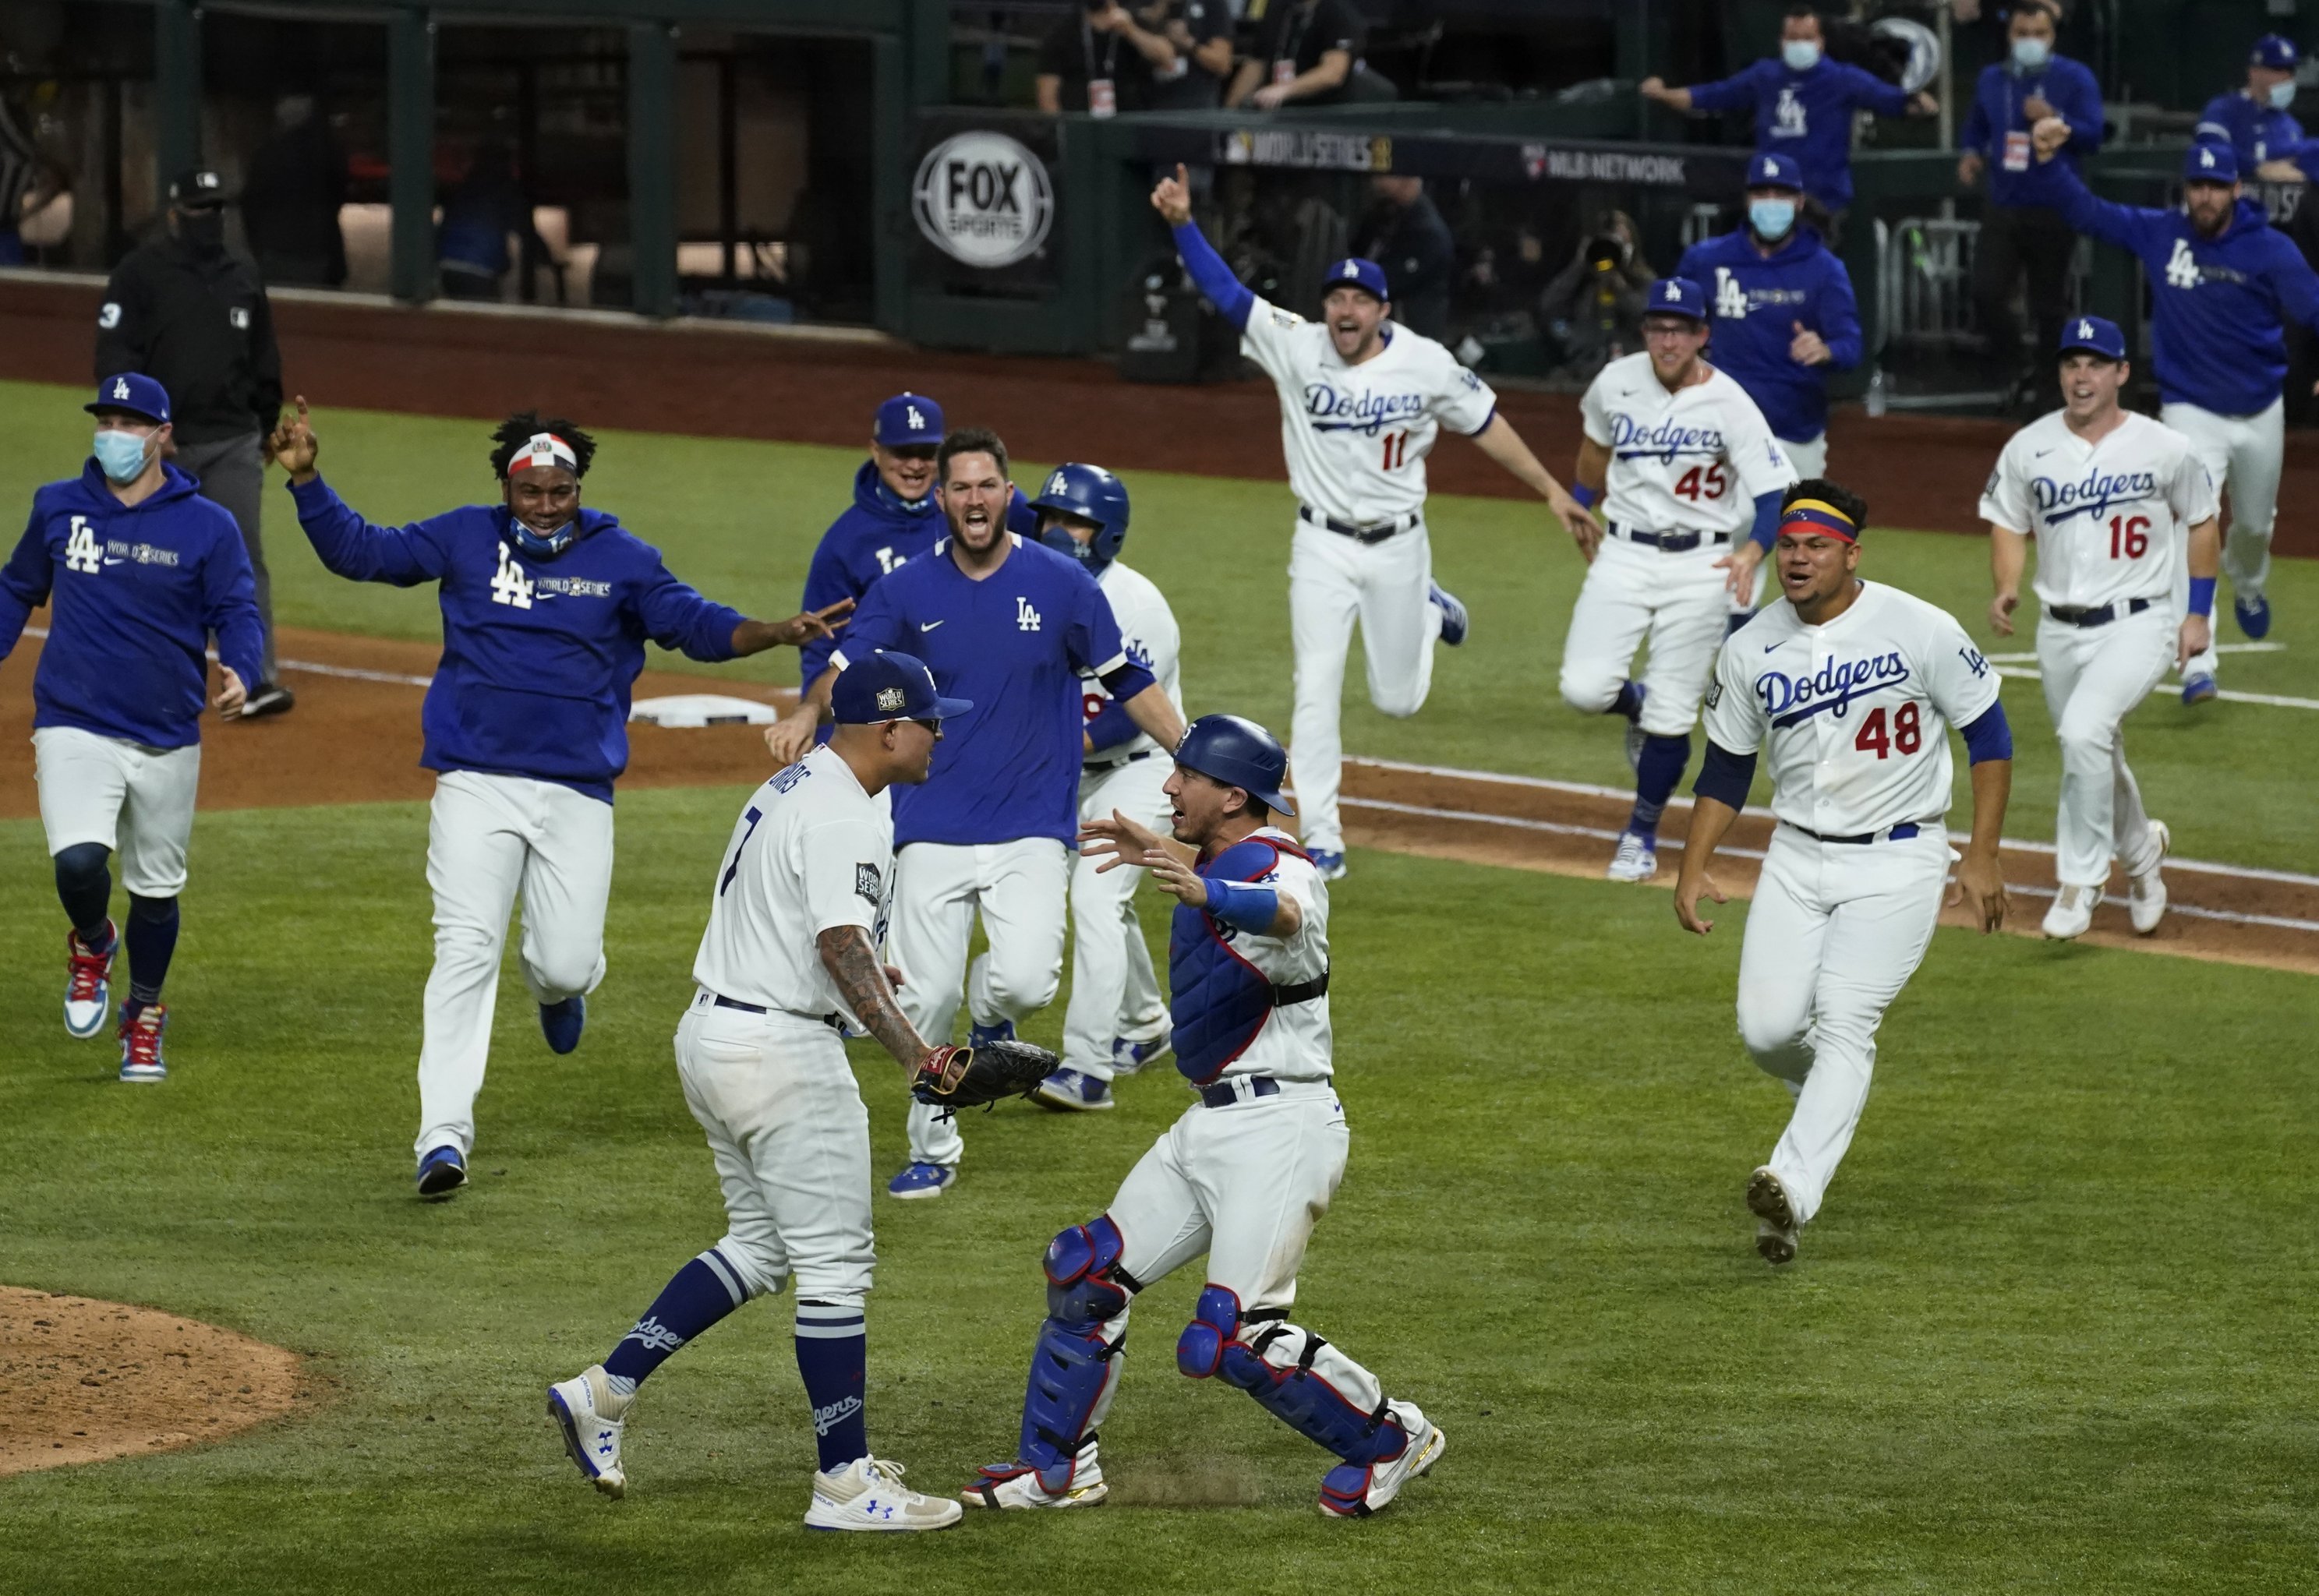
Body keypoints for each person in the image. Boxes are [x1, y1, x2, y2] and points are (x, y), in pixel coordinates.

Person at [268, 400, 848, 1197]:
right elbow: (363, 553)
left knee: (564, 960)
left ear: (579, 488)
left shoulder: (623, 557)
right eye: (531, 489)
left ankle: (559, 989)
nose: (545, 503)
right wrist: (306, 479)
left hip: (576, 790)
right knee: (465, 949)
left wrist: (775, 632)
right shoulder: (463, 535)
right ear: (507, 487)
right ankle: (442, 1133)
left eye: (560, 490)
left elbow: (695, 624)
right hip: (474, 780)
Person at [959, 714, 1444, 1518]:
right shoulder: (1222, 856)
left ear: (1230, 794)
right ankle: (1057, 1470)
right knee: (1084, 1273)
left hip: (1279, 1127)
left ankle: (1389, 1437)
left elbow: (1282, 913)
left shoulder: (1286, 868)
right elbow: (1233, 887)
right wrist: (1175, 858)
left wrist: (1201, 884)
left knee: (1230, 1334)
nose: (1167, 785)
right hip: (1211, 1124)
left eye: (1184, 774)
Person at [546, 651, 969, 1531]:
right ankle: (845, 1483)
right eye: (930, 719)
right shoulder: (841, 813)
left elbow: (810, 925)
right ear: (888, 730)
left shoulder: (805, 779)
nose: (940, 731)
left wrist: (861, 977)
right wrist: (917, 1056)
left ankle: (604, 1389)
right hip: (778, 1054)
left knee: (763, 1246)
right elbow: (839, 947)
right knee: (834, 1267)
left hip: (714, 1034)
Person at [764, 428, 1186, 1199]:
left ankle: (990, 1017)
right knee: (922, 997)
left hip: (1032, 818)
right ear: (941, 499)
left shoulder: (1063, 584)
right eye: (958, 487)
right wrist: (803, 715)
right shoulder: (905, 590)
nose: (973, 499)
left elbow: (1128, 680)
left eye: (986, 485)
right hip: (930, 818)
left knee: (1025, 981)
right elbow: (847, 663)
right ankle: (933, 1142)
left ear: (1006, 492)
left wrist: (1190, 753)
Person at [1152, 163, 1597, 880]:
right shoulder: (1296, 343)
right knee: (1315, 685)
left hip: (1399, 547)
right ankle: (1322, 834)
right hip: (1320, 544)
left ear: (1383, 310)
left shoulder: (1424, 364)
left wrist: (1550, 489)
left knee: (1397, 700)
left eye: (1360, 298)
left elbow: (1486, 423)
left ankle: (1425, 613)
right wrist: (1183, 225)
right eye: (1336, 297)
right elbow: (1227, 294)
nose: (1346, 309)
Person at [1674, 478, 2014, 1266]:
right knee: (1766, 1031)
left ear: (1849, 554)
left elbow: (1988, 735)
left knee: (1844, 1020)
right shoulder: (1750, 645)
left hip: (1899, 858)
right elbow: (1724, 769)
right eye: (1788, 544)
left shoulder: (1917, 626)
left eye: (1814, 546)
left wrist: (1982, 852)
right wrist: (1691, 867)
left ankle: (1788, 1190)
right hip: (1795, 855)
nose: (1796, 559)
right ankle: (1821, 1097)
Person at [0, 375, 262, 1082]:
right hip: (74, 720)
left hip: (167, 731)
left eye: (130, 421)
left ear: (163, 435)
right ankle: (91, 943)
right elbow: (18, 584)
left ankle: (142, 1016)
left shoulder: (207, 525)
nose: (114, 432)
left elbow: (237, 609)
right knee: (79, 863)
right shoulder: (59, 506)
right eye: (105, 418)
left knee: (156, 891)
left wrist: (239, 668)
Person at [2026, 119, 2319, 699]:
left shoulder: (2269, 249)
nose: (2205, 195)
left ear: (2237, 188)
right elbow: (2085, 212)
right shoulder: (2160, 233)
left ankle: (2250, 581)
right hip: (2189, 409)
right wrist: (2046, 162)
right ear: (2184, 189)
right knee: (2194, 521)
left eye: (2216, 185)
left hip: (2259, 409)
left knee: (2255, 525)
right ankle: (2198, 657)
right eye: (2196, 185)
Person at [1979, 316, 2219, 941]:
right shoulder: (2028, 447)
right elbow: (2007, 521)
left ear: (2120, 373)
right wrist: (2006, 585)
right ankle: (2142, 858)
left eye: (2094, 364)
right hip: (2058, 630)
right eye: (2070, 364)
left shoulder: (2164, 447)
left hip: (2139, 623)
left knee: (2084, 732)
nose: (2080, 376)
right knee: (2095, 752)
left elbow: (2201, 518)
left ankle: (2079, 880)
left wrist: (2196, 612)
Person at [1561, 276, 1800, 885]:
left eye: (1679, 329)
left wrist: (1750, 553)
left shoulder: (1730, 403)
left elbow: (1776, 493)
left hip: (1702, 565)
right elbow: (1594, 444)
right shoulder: (1614, 382)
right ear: (1646, 332)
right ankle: (1632, 703)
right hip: (1623, 552)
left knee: (1673, 715)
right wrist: (1581, 501)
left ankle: (1639, 832)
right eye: (1657, 327)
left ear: (1701, 335)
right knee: (1584, 689)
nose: (1666, 340)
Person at [96, 168, 292, 719]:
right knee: (140, 555)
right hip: (157, 448)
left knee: (242, 558)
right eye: (200, 210)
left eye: (217, 210)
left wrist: (264, 423)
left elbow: (263, 356)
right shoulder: (139, 274)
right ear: (175, 214)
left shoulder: (242, 273)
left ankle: (253, 679)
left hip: (233, 438)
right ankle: (131, 676)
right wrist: (140, 428)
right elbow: (113, 357)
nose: (211, 220)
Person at [1030, 463, 1182, 1112]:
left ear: (1107, 534)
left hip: (1142, 765)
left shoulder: (1136, 602)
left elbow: (1124, 714)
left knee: (1093, 898)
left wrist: (1045, 753)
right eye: (1051, 518)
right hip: (1070, 770)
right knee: (1090, 899)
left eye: (1076, 523)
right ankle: (1147, 1022)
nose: (1059, 533)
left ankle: (1088, 1070)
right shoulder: (1029, 587)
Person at [794, 393, 1038, 698]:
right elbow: (822, 645)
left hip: (988, 687)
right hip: (895, 704)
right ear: (876, 451)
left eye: (926, 452)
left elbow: (1056, 548)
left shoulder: (986, 502)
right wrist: (819, 715)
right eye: (902, 452)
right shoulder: (846, 542)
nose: (914, 465)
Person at [1640, 5, 1935, 236]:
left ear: (1820, 42)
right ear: (1781, 42)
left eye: (1806, 38)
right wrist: (1663, 94)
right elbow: (1712, 96)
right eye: (1793, 38)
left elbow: (1896, 101)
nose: (1799, 45)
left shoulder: (1843, 79)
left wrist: (1920, 103)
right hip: (1772, 200)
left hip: (1822, 204)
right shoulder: (1765, 76)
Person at [1675, 153, 1860, 488]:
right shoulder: (1707, 260)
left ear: (1799, 202)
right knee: (1720, 529)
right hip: (1721, 426)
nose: (1771, 203)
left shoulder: (1824, 269)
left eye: (1781, 195)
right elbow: (1674, 325)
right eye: (1762, 194)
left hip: (1793, 428)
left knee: (1798, 532)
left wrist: (1825, 349)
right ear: (1748, 200)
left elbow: (1851, 345)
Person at [1957, 0, 2102, 408]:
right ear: (2009, 35)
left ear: (2053, 36)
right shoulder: (1991, 78)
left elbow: (2093, 135)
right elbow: (1976, 125)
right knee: (1985, 293)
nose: (2030, 42)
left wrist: (2055, 118)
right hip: (2004, 202)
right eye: (2022, 34)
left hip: (2055, 205)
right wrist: (1970, 152)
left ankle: (2048, 390)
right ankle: (2018, 364)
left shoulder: (2074, 78)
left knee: (2049, 305)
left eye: (2039, 34)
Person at [239, 94, 350, 289]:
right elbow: (338, 192)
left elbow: (251, 202)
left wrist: (257, 244)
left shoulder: (268, 153)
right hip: (317, 247)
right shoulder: (326, 151)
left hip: (276, 249)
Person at [1536, 209, 1656, 380]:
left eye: (1619, 243)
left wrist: (1621, 288)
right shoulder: (1584, 282)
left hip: (1630, 371)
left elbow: (1648, 317)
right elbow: (1549, 306)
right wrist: (1580, 265)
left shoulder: (1644, 280)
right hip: (1584, 370)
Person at [437, 141, 551, 302]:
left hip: (448, 263)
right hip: (481, 266)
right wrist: (544, 255)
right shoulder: (505, 189)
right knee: (484, 320)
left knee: (463, 318)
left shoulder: (466, 186)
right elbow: (524, 228)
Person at [2195, 34, 2316, 183]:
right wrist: (2257, 168)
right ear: (2254, 72)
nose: (2286, 77)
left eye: (2290, 71)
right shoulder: (2223, 109)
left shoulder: (2291, 126)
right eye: (2277, 69)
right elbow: (2209, 148)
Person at [1352, 176, 1456, 341]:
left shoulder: (1426, 232)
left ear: (1407, 182)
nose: (1375, 182)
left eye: (1385, 176)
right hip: (1377, 327)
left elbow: (1389, 280)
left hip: (1410, 331)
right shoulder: (1383, 216)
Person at [1035, 2, 1179, 117]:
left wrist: (1131, 31)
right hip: (1081, 126)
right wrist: (1062, 132)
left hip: (1132, 125)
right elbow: (1047, 97)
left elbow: (1167, 59)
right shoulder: (1061, 34)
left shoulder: (1135, 23)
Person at [1225, 0, 1368, 111]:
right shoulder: (1279, 9)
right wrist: (1230, 112)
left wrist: (1285, 90)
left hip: (1322, 119)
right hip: (1277, 121)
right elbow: (1256, 65)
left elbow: (1333, 73)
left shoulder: (1339, 12)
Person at [1141, 0, 1236, 111]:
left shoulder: (1211, 3)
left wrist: (1189, 44)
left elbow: (1223, 64)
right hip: (1148, 102)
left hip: (1195, 105)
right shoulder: (1147, 4)